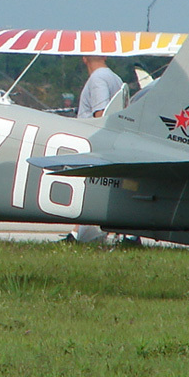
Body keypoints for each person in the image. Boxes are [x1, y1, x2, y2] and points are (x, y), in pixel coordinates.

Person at [64, 57, 124, 244]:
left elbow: (101, 115)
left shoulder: (97, 79)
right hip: (114, 144)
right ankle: (77, 233)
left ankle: (76, 236)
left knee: (87, 190)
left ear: (84, 59)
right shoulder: (116, 78)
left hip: (93, 143)